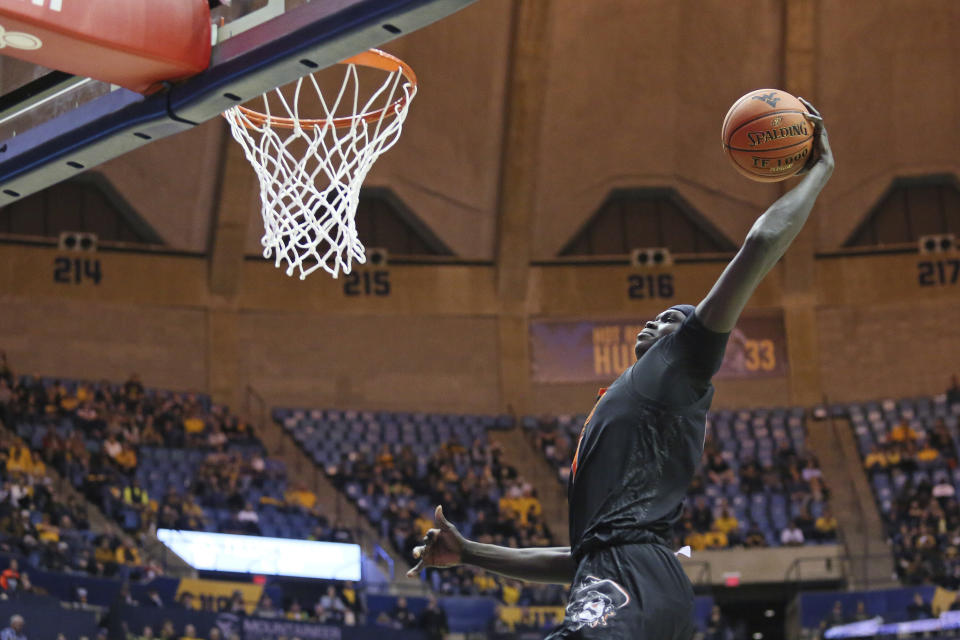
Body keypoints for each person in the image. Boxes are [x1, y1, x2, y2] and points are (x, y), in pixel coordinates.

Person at [406, 101, 835, 638]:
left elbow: (760, 244)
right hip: (628, 575)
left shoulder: (682, 364)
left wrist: (820, 170)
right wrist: (472, 553)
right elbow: (584, 558)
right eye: (655, 317)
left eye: (672, 319)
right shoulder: (636, 401)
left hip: (634, 577)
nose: (656, 321)